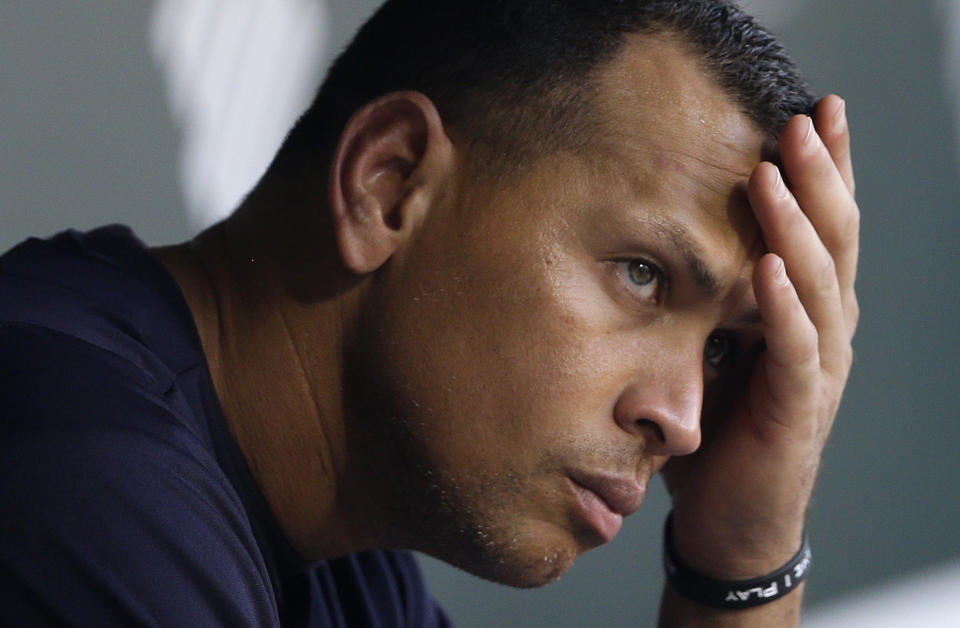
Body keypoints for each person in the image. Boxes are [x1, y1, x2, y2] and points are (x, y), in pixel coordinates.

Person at [0, 0, 859, 625]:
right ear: (391, 183)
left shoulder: (351, 558)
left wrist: (740, 557)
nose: (683, 422)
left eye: (721, 354)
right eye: (643, 274)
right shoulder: (81, 481)